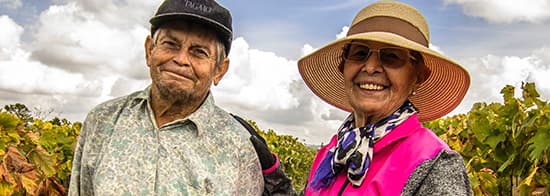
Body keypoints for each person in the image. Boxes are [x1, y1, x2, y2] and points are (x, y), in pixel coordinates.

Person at [68, 0, 291, 195]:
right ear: (149, 51)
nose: (181, 59)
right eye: (170, 44)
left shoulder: (239, 148)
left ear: (219, 70)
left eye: (199, 52)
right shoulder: (102, 121)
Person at [297, 1, 472, 195]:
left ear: (418, 76)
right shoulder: (330, 154)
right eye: (360, 54)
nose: (370, 67)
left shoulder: (433, 164)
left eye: (391, 57)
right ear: (343, 68)